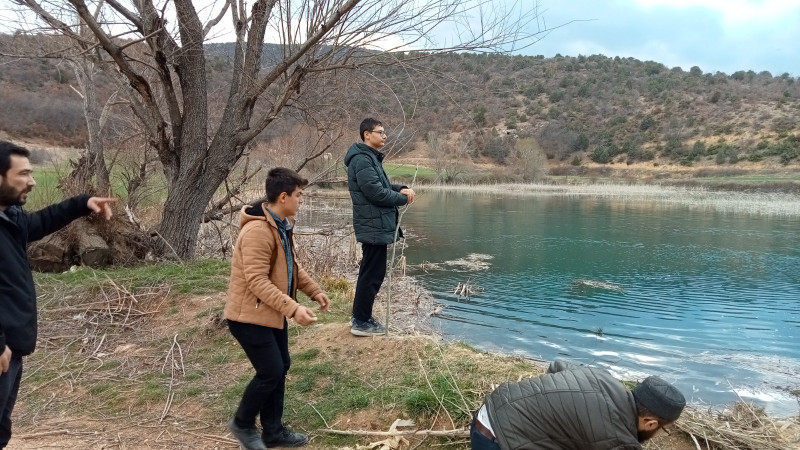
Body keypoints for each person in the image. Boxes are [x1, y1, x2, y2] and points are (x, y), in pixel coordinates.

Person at [0, 141, 115, 449]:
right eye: (23, 174)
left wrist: (83, 202)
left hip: (11, 349)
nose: (32, 181)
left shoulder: (9, 217)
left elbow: (41, 221)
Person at [224, 167, 331, 450]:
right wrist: (293, 309)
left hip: (270, 312)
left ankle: (273, 432)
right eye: (299, 195)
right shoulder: (258, 231)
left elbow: (291, 266)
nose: (302, 200)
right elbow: (256, 280)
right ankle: (242, 424)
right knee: (270, 370)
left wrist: (314, 291)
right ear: (283, 197)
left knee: (280, 366)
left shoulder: (280, 225)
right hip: (248, 316)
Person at [471, 359, 686, 450]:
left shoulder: (604, 378)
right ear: (650, 423)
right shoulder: (621, 440)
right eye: (664, 429)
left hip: (490, 408)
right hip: (496, 441)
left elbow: (557, 366)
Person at [344, 118, 415, 336]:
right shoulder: (362, 160)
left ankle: (360, 317)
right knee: (372, 274)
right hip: (373, 225)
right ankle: (361, 322)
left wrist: (400, 188)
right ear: (367, 134)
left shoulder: (368, 158)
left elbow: (381, 185)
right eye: (380, 132)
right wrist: (402, 199)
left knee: (371, 272)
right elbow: (375, 193)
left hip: (374, 224)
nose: (384, 136)